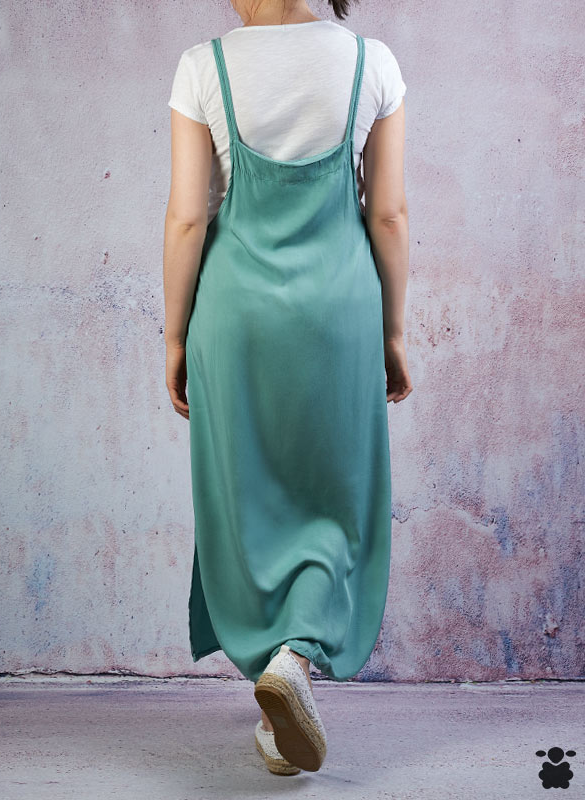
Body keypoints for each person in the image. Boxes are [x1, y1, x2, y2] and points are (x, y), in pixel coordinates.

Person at [163, 0, 413, 774]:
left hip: (235, 314)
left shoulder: (204, 67)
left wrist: (174, 336)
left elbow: (187, 220)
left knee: (251, 499)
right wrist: (393, 335)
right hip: (339, 313)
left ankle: (278, 698)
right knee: (334, 500)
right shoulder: (372, 63)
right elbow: (389, 215)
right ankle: (293, 664)